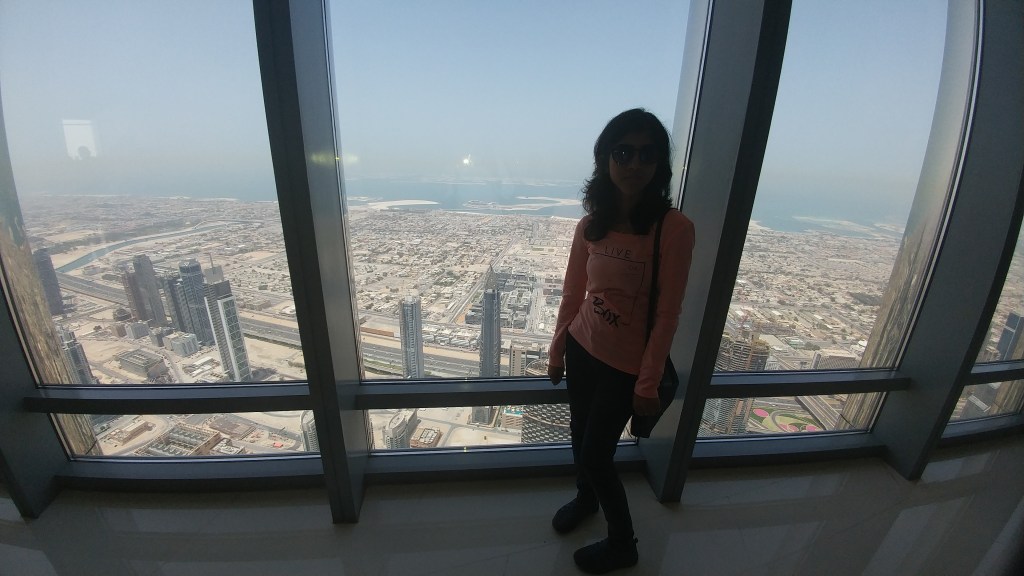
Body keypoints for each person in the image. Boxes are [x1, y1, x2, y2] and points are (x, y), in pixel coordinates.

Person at [547, 108, 695, 574]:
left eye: (647, 155)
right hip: (582, 347)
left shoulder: (673, 228)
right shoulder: (591, 225)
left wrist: (647, 383)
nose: (634, 163)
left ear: (660, 165)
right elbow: (573, 293)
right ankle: (585, 499)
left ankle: (622, 543)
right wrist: (557, 350)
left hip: (625, 367)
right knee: (579, 437)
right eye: (623, 152)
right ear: (606, 159)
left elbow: (667, 313)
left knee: (597, 454)